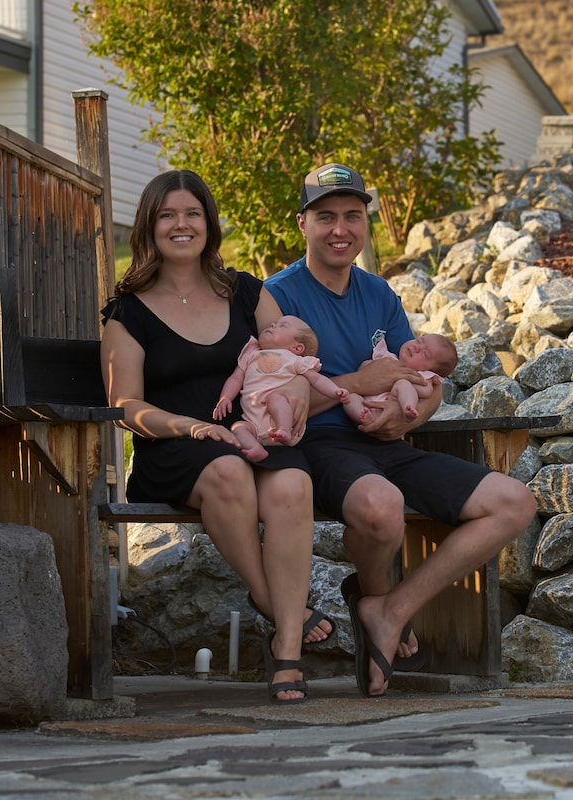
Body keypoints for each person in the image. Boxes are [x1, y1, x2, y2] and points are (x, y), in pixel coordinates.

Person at [265, 162, 537, 698]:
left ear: (365, 224)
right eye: (325, 216)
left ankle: (390, 607)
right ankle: (379, 598)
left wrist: (413, 410)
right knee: (382, 507)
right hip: (318, 447)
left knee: (515, 503)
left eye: (352, 216)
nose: (340, 228)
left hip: (389, 443)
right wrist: (358, 382)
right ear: (302, 223)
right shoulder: (276, 297)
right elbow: (271, 395)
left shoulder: (380, 294)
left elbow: (424, 380)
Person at [100, 169, 334, 703]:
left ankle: (287, 652)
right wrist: (192, 425)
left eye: (192, 213)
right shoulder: (128, 312)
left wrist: (297, 396)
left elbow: (288, 360)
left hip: (254, 433)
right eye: (167, 215)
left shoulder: (246, 292)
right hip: (175, 447)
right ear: (148, 227)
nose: (181, 225)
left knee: (294, 487)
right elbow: (124, 405)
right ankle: (279, 605)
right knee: (228, 470)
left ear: (209, 223)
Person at [213, 315, 349, 461]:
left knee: (275, 398)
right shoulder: (251, 354)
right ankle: (255, 448)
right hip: (254, 424)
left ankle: (283, 430)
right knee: (238, 427)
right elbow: (236, 378)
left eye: (282, 325)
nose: (272, 325)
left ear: (297, 347)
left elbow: (317, 379)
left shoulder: (294, 360)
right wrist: (225, 397)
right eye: (274, 323)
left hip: (284, 420)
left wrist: (335, 391)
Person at [343, 333, 457, 425]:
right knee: (350, 397)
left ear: (430, 371)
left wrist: (404, 379)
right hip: (367, 406)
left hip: (391, 409)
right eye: (418, 341)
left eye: (425, 354)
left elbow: (426, 391)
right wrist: (369, 368)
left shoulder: (419, 376)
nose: (416, 347)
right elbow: (363, 368)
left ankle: (408, 408)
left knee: (403, 384)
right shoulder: (388, 358)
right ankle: (365, 417)